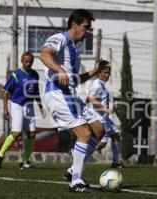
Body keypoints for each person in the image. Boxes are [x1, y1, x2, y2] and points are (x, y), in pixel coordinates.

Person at [40, 9, 106, 193]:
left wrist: (94, 71)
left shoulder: (74, 50)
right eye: (86, 27)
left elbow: (74, 80)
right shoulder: (60, 38)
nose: (88, 31)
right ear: (74, 25)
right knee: (84, 134)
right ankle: (76, 181)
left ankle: (72, 171)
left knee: (99, 130)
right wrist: (59, 70)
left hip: (70, 94)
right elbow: (44, 54)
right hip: (57, 94)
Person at [0, 52, 46, 170]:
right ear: (22, 61)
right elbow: (6, 92)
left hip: (29, 106)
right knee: (16, 133)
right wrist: (5, 109)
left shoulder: (35, 75)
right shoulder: (16, 75)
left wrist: (41, 106)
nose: (28, 63)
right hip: (17, 105)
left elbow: (36, 92)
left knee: (31, 134)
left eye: (30, 61)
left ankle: (25, 161)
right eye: (26, 61)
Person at [87, 66, 123, 168]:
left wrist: (109, 107)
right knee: (101, 145)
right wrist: (104, 109)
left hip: (105, 118)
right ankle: (80, 153)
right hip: (98, 118)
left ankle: (116, 162)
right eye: (104, 72)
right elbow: (91, 98)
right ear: (99, 73)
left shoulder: (102, 85)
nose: (107, 75)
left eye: (108, 73)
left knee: (115, 134)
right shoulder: (97, 85)